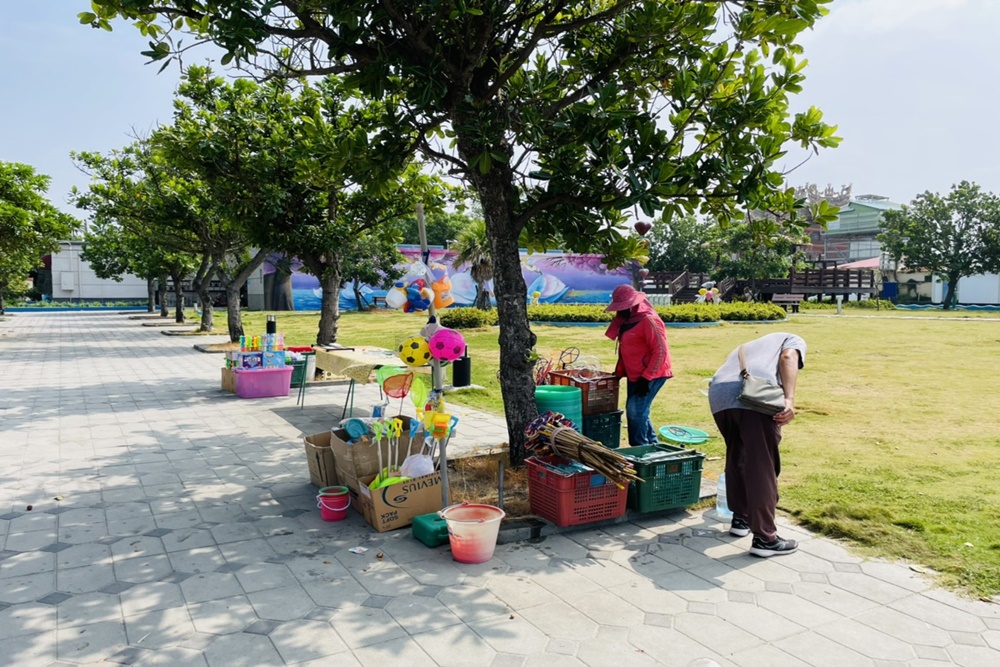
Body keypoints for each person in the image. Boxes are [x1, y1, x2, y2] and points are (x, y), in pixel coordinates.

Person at [708, 332, 806, 557]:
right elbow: (789, 358)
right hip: (752, 397)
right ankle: (765, 538)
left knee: (737, 456)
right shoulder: (792, 339)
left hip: (719, 394)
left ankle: (741, 519)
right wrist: (789, 400)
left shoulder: (749, 346)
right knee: (762, 465)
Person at [604, 284, 672, 446]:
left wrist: (647, 378)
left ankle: (640, 449)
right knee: (640, 411)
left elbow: (661, 351)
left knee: (635, 412)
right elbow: (625, 349)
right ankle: (652, 446)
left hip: (652, 374)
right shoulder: (626, 320)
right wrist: (619, 373)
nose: (621, 310)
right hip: (635, 375)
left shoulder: (648, 320)